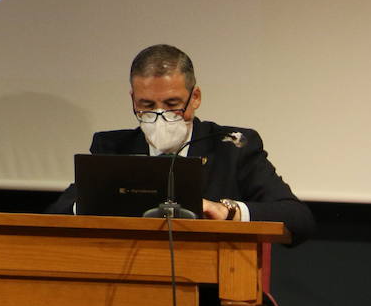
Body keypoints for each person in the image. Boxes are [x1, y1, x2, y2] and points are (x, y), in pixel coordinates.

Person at [48, 43, 313, 241]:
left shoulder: (231, 147)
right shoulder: (113, 148)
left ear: (195, 97)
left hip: (211, 298)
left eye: (172, 104)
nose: (160, 114)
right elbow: (56, 215)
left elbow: (299, 219)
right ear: (133, 99)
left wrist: (227, 212)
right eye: (147, 105)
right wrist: (96, 202)